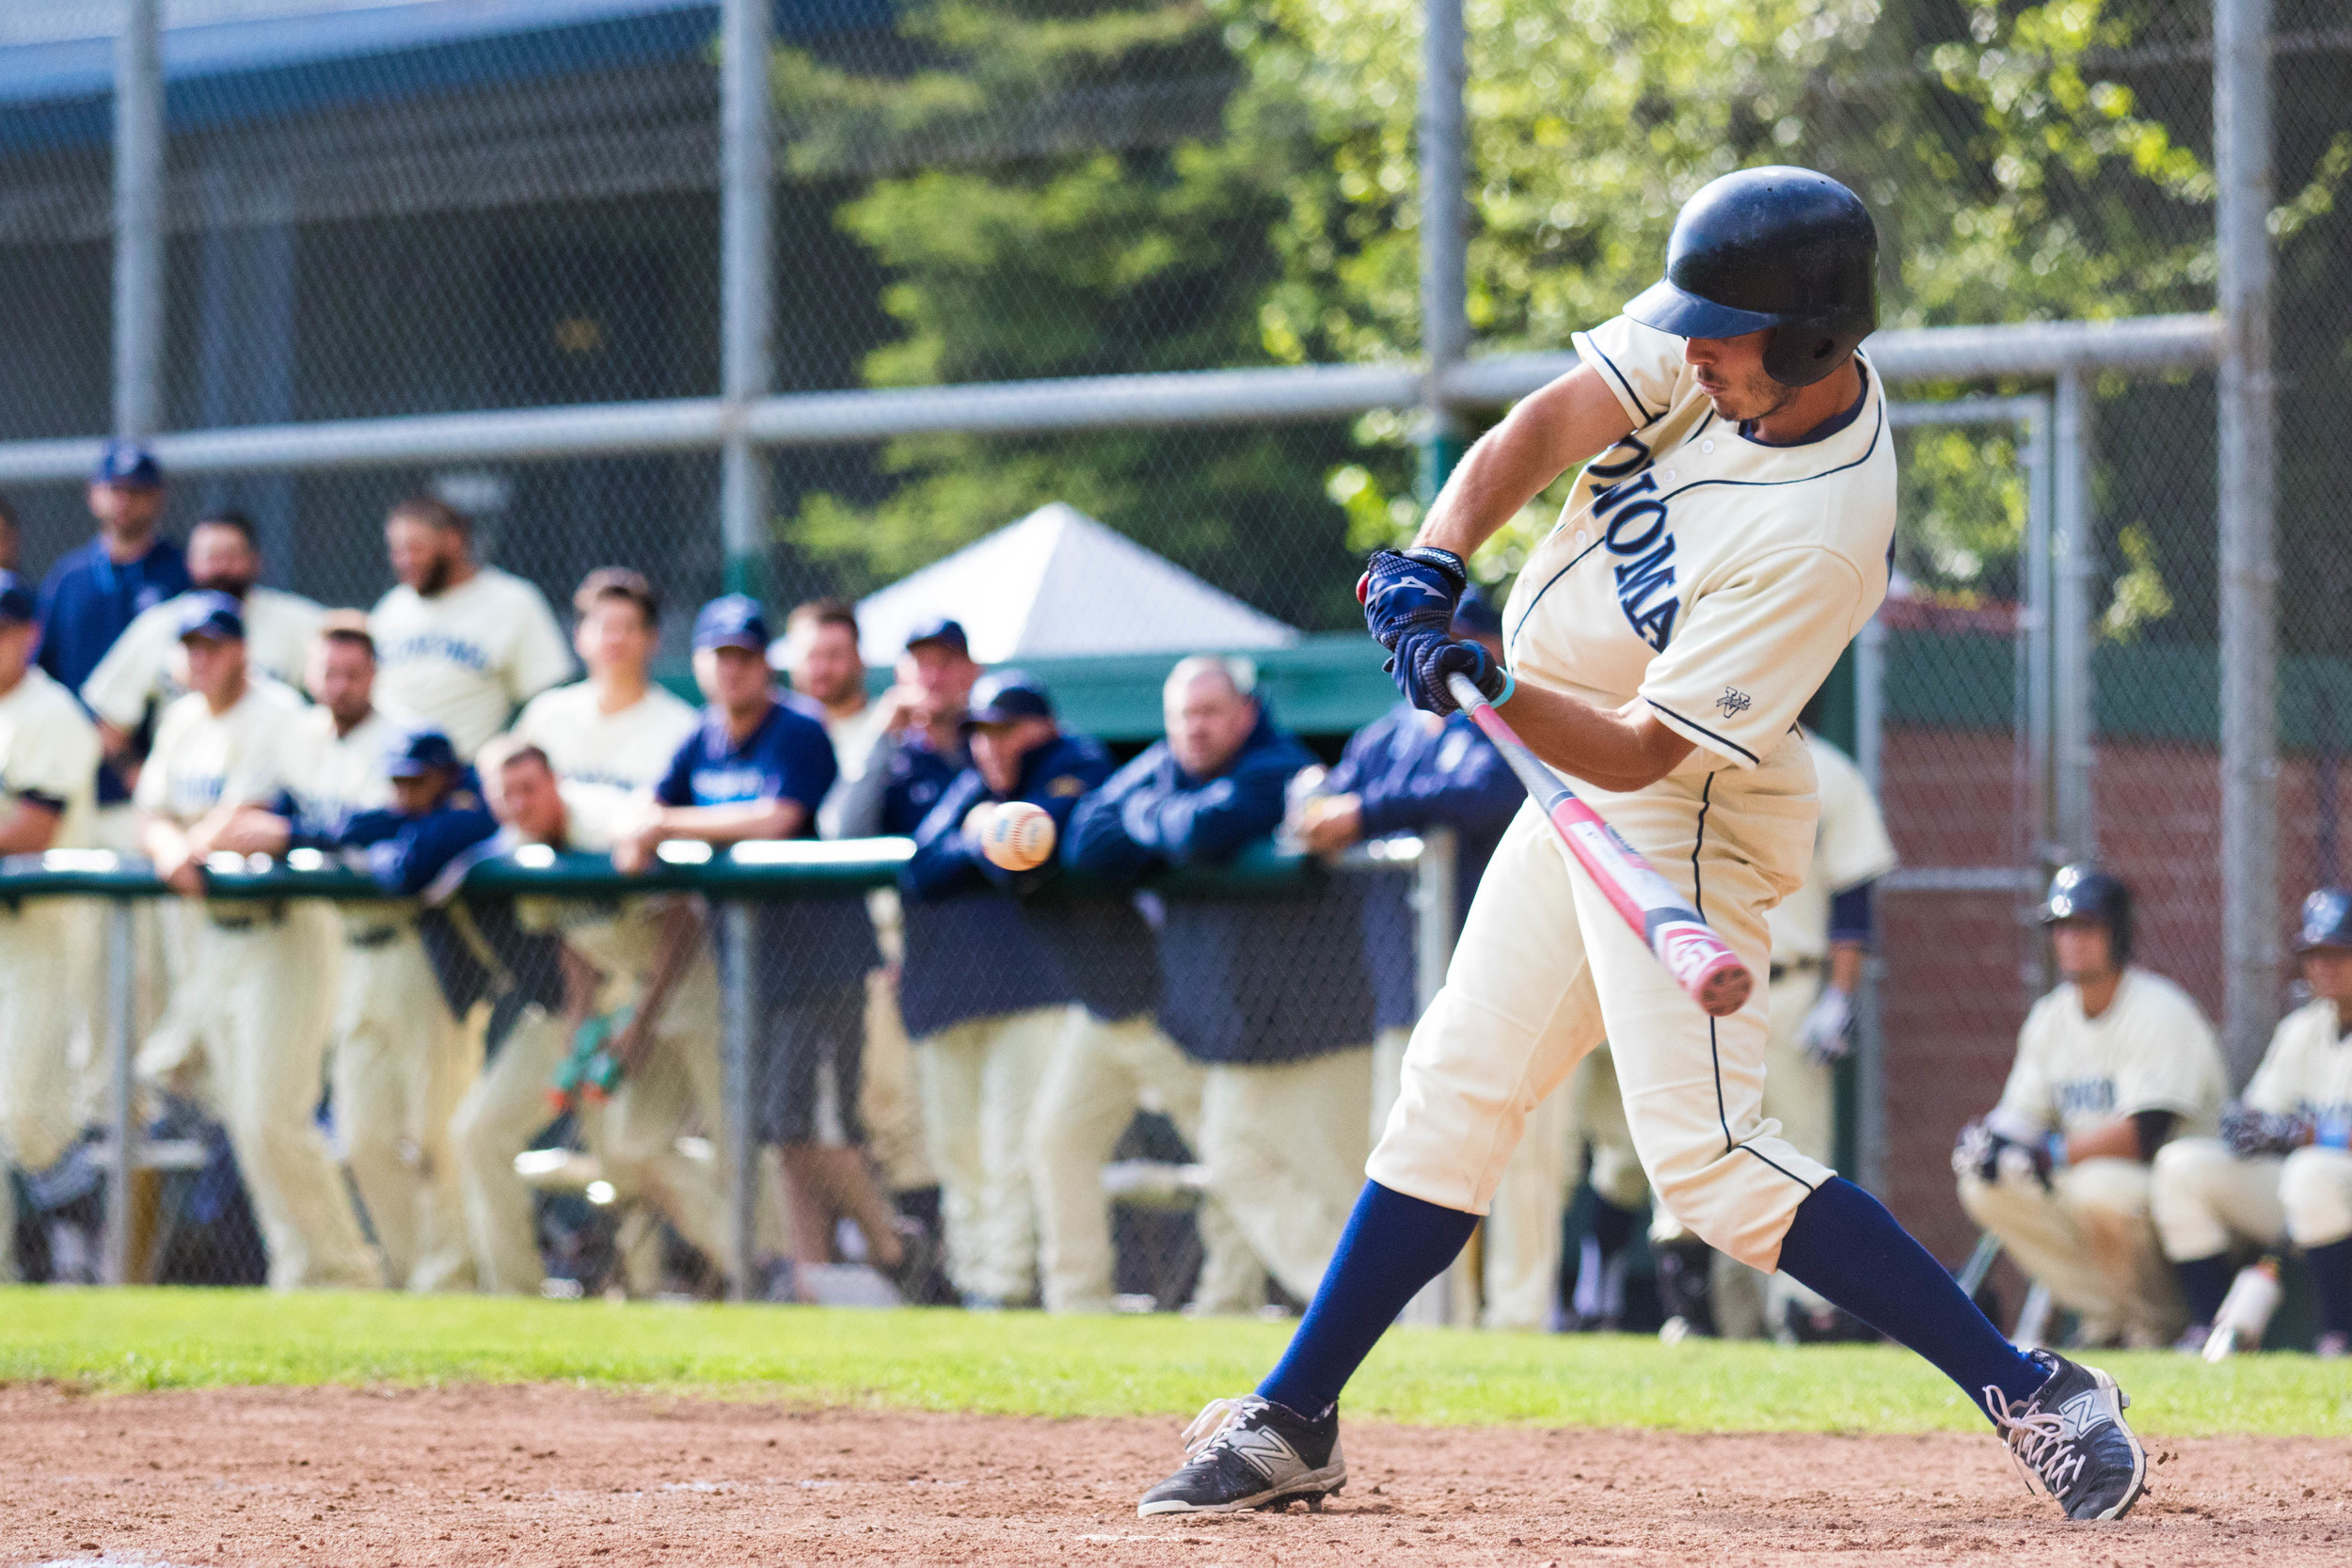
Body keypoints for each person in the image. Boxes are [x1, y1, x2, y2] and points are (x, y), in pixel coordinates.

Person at [1139, 168, 2150, 1525]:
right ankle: (1296, 1413)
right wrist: (1439, 563)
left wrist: (1480, 676)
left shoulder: (1823, 532)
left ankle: (2036, 1386)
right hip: (1569, 771)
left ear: (1807, 343)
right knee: (1456, 1088)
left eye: (1723, 336)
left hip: (1684, 807)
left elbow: (1643, 749)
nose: (1694, 350)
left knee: (1715, 1163)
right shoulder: (1718, 345)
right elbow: (1546, 422)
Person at [618, 594, 916, 1301]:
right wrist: (647, 825)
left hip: (821, 960)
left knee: (813, 1120)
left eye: (746, 658)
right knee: (776, 1127)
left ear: (765, 665)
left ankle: (895, 1246)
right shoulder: (701, 736)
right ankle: (812, 1274)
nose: (733, 671)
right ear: (701, 664)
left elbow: (778, 818)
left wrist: (667, 826)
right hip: (750, 965)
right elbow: (645, 816)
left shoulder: (798, 729)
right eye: (721, 658)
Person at [1069, 656, 1376, 1315]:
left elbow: (1200, 832)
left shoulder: (1277, 764)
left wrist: (1146, 818)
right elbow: (1087, 839)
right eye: (1184, 716)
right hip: (1242, 1036)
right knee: (1235, 1161)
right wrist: (1161, 813)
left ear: (1244, 712)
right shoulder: (1167, 766)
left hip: (1322, 1026)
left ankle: (1389, 1312)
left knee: (1347, 1185)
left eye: (1210, 713)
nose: (1196, 729)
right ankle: (1351, 1308)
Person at [205, 615, 475, 1291]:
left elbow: (385, 839)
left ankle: (456, 1282)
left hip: (420, 944)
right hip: (349, 946)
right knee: (360, 1137)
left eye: (354, 672)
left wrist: (294, 832)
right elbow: (252, 815)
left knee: (438, 1132)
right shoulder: (298, 736)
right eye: (329, 671)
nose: (341, 684)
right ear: (309, 673)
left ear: (375, 674)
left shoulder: (410, 737)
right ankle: (412, 1276)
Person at [1291, 588, 1532, 1325]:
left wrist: (1368, 812)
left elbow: (1485, 791)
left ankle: (1523, 1322)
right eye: (1431, 639)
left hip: (1513, 985)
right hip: (1405, 982)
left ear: (1489, 648)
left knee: (1522, 1168)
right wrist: (1327, 803)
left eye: (1458, 639)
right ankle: (1432, 1321)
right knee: (1416, 1156)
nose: (1437, 655)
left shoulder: (1511, 718)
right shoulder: (1386, 734)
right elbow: (1321, 807)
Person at [135, 593, 378, 1291]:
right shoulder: (182, 718)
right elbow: (152, 812)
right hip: (214, 943)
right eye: (191, 645)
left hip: (283, 934)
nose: (202, 657)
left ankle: (347, 1271)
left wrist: (188, 842)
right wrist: (170, 845)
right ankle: (298, 1269)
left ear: (242, 649)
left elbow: (252, 816)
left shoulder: (276, 715)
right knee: (245, 1122)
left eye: (215, 644)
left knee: (275, 1115)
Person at [1655, 705, 1898, 1341]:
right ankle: (1693, 1310)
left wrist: (1840, 996)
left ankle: (1800, 1315)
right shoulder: (1695, 751)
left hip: (1793, 988)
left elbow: (1852, 896)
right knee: (1695, 1139)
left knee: (1796, 1150)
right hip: (1706, 983)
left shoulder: (1831, 772)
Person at [860, 640, 1067, 1308]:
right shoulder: (966, 784)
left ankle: (1006, 1288)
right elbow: (919, 869)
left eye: (1008, 727)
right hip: (945, 992)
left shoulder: (1070, 763)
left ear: (1042, 727)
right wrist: (978, 836)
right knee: (957, 1151)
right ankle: (979, 1282)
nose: (992, 743)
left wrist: (982, 840)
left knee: (1012, 1147)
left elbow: (1036, 851)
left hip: (1031, 988)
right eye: (982, 730)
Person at [1956, 863, 2227, 1350]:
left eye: (2087, 927)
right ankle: (2103, 1320)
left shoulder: (2158, 1009)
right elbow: (2021, 1114)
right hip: (2085, 1179)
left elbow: (2147, 1133)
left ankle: (2156, 1325)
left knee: (2101, 1186)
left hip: (2172, 1194)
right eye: (2062, 928)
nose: (2072, 940)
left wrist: (2051, 1153)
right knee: (1986, 1183)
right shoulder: (2051, 1017)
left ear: (2118, 933)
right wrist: (1992, 1141)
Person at [778, 598, 937, 1239]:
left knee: (891, 1108)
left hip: (881, 947)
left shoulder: (893, 728)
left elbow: (847, 826)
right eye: (811, 653)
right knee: (804, 1119)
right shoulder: (780, 730)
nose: (824, 667)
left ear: (860, 659)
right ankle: (844, 1255)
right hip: (794, 957)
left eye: (836, 653)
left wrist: (883, 733)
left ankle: (920, 1254)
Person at [2150, 887, 2352, 1356]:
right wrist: (2253, 1129)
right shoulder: (2302, 1028)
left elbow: (2302, 1138)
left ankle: (2338, 1334)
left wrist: (2306, 1134)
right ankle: (2207, 1323)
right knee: (2181, 1164)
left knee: (2310, 1170)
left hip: (2327, 1180)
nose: (2324, 965)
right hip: (2309, 1191)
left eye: (2339, 952)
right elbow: (2264, 1110)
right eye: (2314, 953)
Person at [0, 572, 103, 1282]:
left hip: (42, 924)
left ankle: (84, 1242)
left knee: (26, 1109)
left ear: (30, 634)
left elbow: (33, 824)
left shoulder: (52, 711)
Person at [81, 510, 325, 779]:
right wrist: (144, 786)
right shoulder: (161, 625)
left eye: (231, 556)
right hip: (190, 786)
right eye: (210, 557)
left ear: (256, 561)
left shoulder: (298, 621)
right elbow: (109, 716)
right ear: (190, 563)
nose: (220, 569)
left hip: (275, 784)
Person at [36, 441, 189, 818]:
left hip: (160, 778)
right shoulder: (68, 578)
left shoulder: (180, 575)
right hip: (75, 775)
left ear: (157, 498)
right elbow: (43, 670)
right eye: (115, 490)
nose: (124, 502)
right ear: (93, 494)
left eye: (136, 491)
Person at [368, 495, 572, 758]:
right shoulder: (392, 607)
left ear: (453, 541)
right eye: (397, 550)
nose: (405, 560)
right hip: (391, 770)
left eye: (416, 548)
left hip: (466, 774)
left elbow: (545, 698)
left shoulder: (513, 601)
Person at [508, 568, 701, 796]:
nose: (616, 638)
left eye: (629, 627)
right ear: (579, 636)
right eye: (605, 626)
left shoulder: (683, 728)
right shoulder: (545, 715)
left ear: (653, 639)